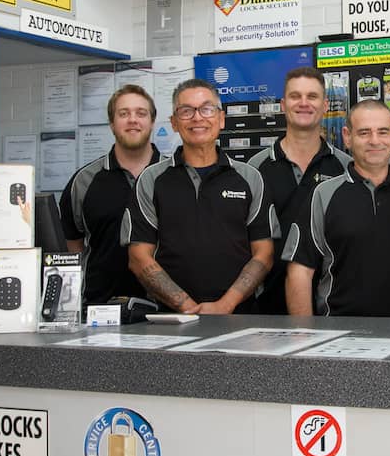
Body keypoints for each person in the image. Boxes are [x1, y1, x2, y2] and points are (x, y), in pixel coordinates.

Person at [125, 78, 277, 314]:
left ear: (221, 119)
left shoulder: (250, 178)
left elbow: (264, 254)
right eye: (186, 111)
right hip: (170, 319)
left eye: (206, 109)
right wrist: (187, 307)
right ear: (174, 123)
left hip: (240, 316)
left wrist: (225, 305)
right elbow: (138, 257)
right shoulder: (151, 180)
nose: (197, 118)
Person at [282, 100, 390, 317]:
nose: (374, 141)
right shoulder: (323, 195)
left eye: (382, 132)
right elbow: (300, 271)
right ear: (347, 136)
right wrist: (304, 336)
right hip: (339, 334)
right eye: (364, 133)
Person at [249, 67, 350, 314]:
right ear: (283, 104)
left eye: (312, 96)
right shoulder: (255, 169)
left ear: (325, 105)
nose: (304, 103)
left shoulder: (346, 168)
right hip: (266, 311)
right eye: (295, 96)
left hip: (332, 309)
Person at [60, 84, 162, 306]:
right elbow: (74, 247)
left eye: (141, 113)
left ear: (152, 122)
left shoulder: (173, 175)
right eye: (123, 114)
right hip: (100, 309)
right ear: (112, 124)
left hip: (167, 310)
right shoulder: (83, 182)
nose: (132, 120)